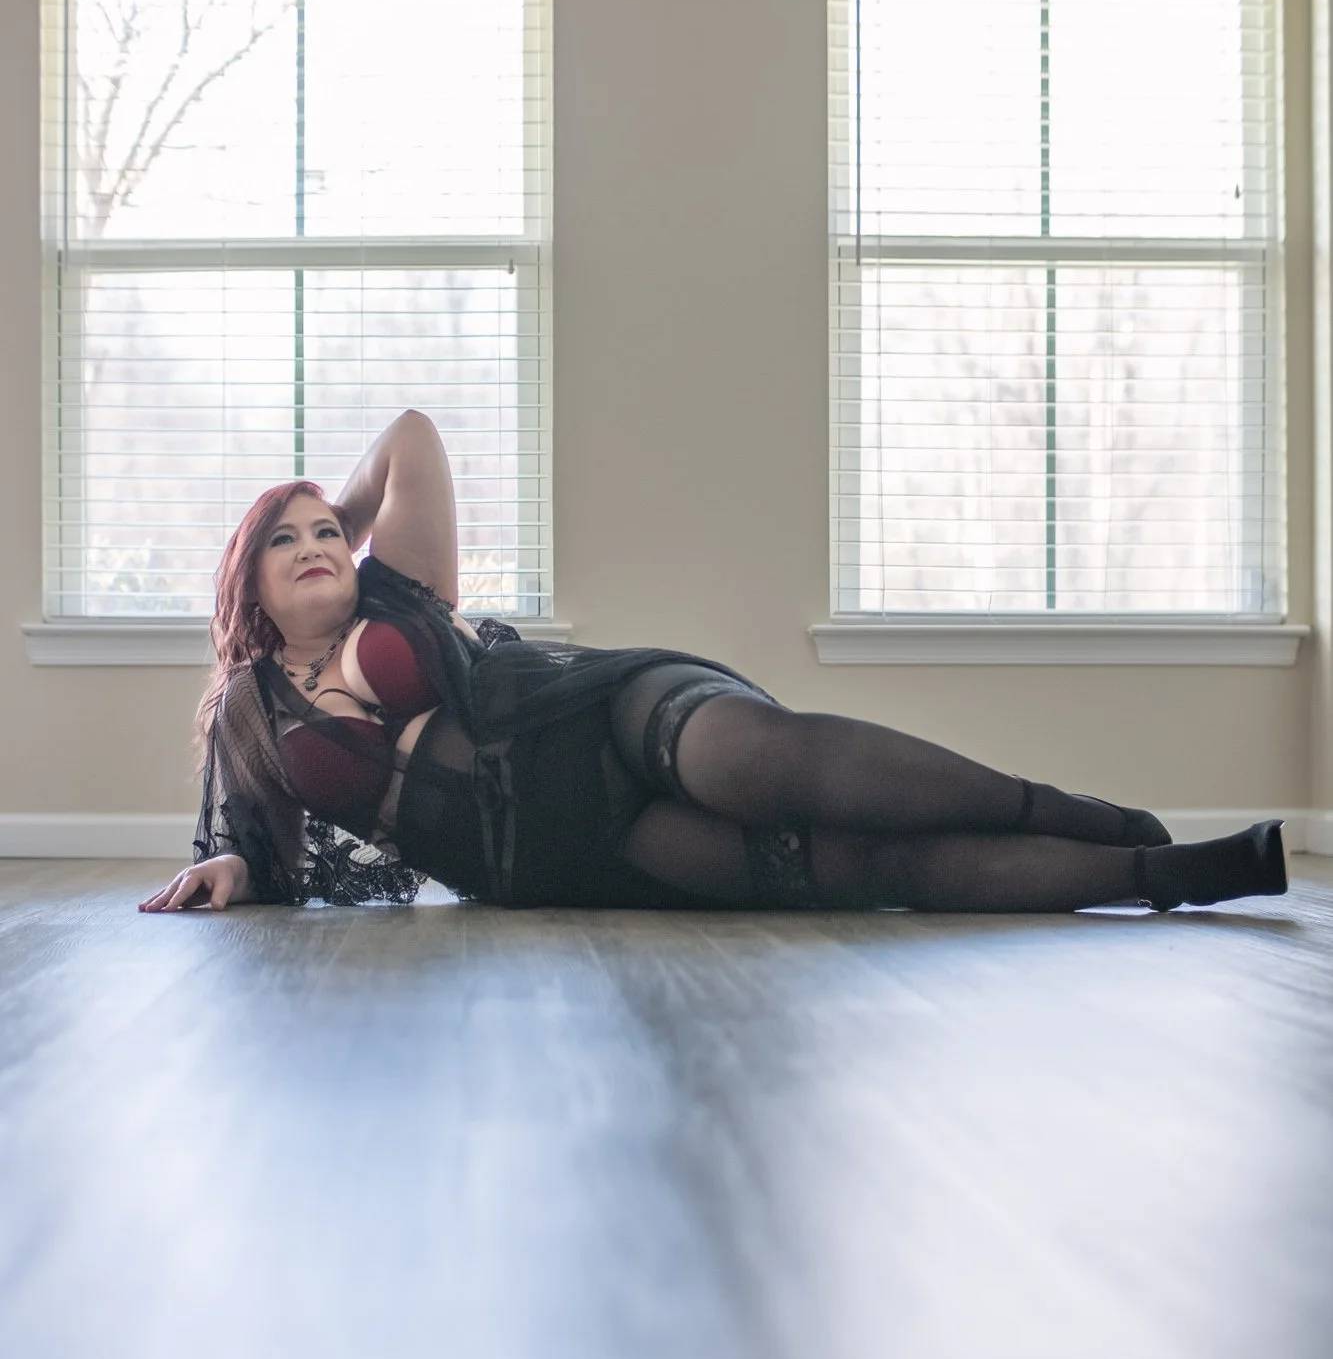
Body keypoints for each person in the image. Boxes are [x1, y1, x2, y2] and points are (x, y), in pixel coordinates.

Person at [142, 411, 1289, 919]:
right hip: (548, 844)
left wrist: (328, 523)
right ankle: (1159, 877)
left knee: (764, 759)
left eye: (327, 531)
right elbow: (240, 837)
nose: (315, 544)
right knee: (849, 871)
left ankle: (1075, 814)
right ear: (247, 580)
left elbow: (408, 433)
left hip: (597, 711)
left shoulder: (401, 590)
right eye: (284, 540)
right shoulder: (251, 710)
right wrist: (230, 870)